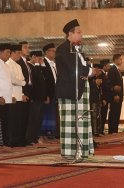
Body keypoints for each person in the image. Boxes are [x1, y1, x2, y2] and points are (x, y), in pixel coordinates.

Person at [55, 19, 98, 159]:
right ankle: (70, 153)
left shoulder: (76, 49)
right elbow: (74, 68)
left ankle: (82, 151)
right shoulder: (63, 49)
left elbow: (79, 68)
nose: (81, 35)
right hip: (69, 92)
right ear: (70, 34)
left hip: (80, 90)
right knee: (70, 123)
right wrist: (91, 72)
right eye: (79, 32)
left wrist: (87, 73)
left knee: (82, 121)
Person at [25, 51, 48, 145]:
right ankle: (30, 137)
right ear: (33, 57)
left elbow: (45, 78)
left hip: (41, 97)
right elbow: (36, 77)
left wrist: (42, 65)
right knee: (33, 119)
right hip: (34, 97)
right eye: (38, 58)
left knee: (38, 119)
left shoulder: (38, 67)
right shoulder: (30, 66)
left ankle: (35, 136)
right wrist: (38, 64)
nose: (40, 60)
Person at [6, 44, 26, 147]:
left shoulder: (18, 65)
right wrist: (22, 82)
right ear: (12, 53)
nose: (19, 55)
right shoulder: (8, 64)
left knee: (18, 119)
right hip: (12, 95)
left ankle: (17, 140)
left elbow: (21, 79)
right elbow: (11, 81)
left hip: (19, 95)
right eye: (17, 53)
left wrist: (22, 93)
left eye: (20, 53)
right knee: (12, 120)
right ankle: (11, 141)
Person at [41, 43, 58, 142]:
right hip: (48, 93)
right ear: (47, 52)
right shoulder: (43, 63)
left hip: (55, 92)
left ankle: (51, 134)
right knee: (46, 114)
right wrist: (46, 94)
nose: (54, 53)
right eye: (53, 51)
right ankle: (45, 134)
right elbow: (44, 81)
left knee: (53, 114)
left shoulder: (54, 63)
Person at [107, 54, 124, 134]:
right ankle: (112, 131)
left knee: (117, 113)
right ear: (116, 60)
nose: (121, 61)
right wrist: (115, 95)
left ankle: (115, 130)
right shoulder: (112, 70)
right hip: (115, 96)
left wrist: (121, 95)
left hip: (119, 96)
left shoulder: (117, 70)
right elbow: (110, 83)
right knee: (113, 113)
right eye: (120, 59)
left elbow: (120, 85)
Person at [99, 59, 111, 135]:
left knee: (103, 115)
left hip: (106, 99)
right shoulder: (101, 75)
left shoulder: (104, 74)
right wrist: (103, 99)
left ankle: (101, 130)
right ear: (104, 66)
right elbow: (101, 88)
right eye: (108, 66)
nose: (109, 67)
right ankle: (100, 130)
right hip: (103, 99)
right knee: (102, 115)